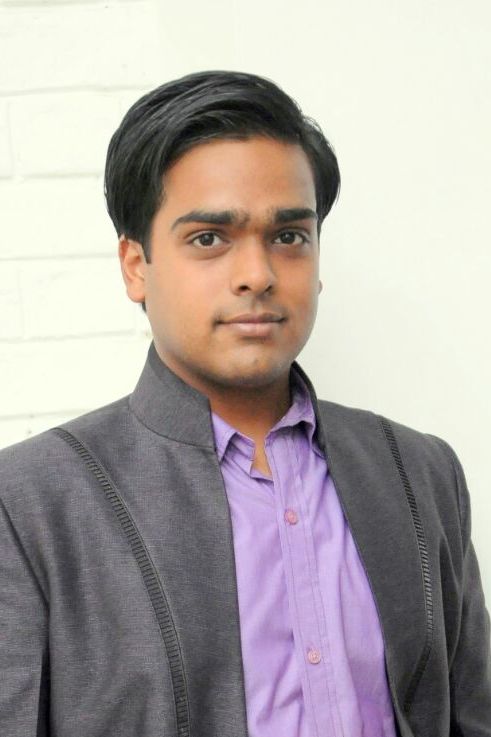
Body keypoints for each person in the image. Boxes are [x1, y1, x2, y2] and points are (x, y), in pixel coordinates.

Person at [0, 70, 489, 737]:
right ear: (136, 265)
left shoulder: (420, 473)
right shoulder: (31, 504)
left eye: (288, 236)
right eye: (209, 238)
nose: (257, 274)